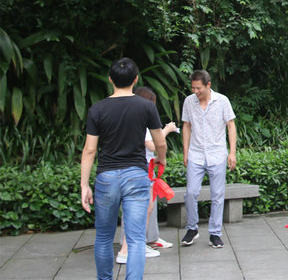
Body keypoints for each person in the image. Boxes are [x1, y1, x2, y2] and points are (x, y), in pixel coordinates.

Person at [80, 58, 166, 280]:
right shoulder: (146, 106)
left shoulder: (97, 109)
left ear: (110, 80)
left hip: (106, 177)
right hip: (136, 175)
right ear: (135, 79)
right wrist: (161, 159)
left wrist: (84, 185)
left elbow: (89, 150)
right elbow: (160, 142)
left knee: (103, 237)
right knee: (136, 239)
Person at [117, 87, 179, 264]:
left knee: (145, 206)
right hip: (140, 168)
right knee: (142, 207)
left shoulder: (125, 117)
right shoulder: (141, 119)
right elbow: (153, 145)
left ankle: (139, 243)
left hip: (132, 167)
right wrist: (166, 130)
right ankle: (132, 247)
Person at [180, 70, 236, 249]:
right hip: (195, 154)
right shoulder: (189, 101)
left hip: (217, 153)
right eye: (193, 88)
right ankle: (192, 228)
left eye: (199, 88)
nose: (195, 91)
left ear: (208, 85)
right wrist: (185, 152)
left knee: (217, 195)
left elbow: (231, 125)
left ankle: (215, 233)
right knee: (190, 192)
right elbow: (186, 126)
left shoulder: (222, 101)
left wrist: (232, 152)